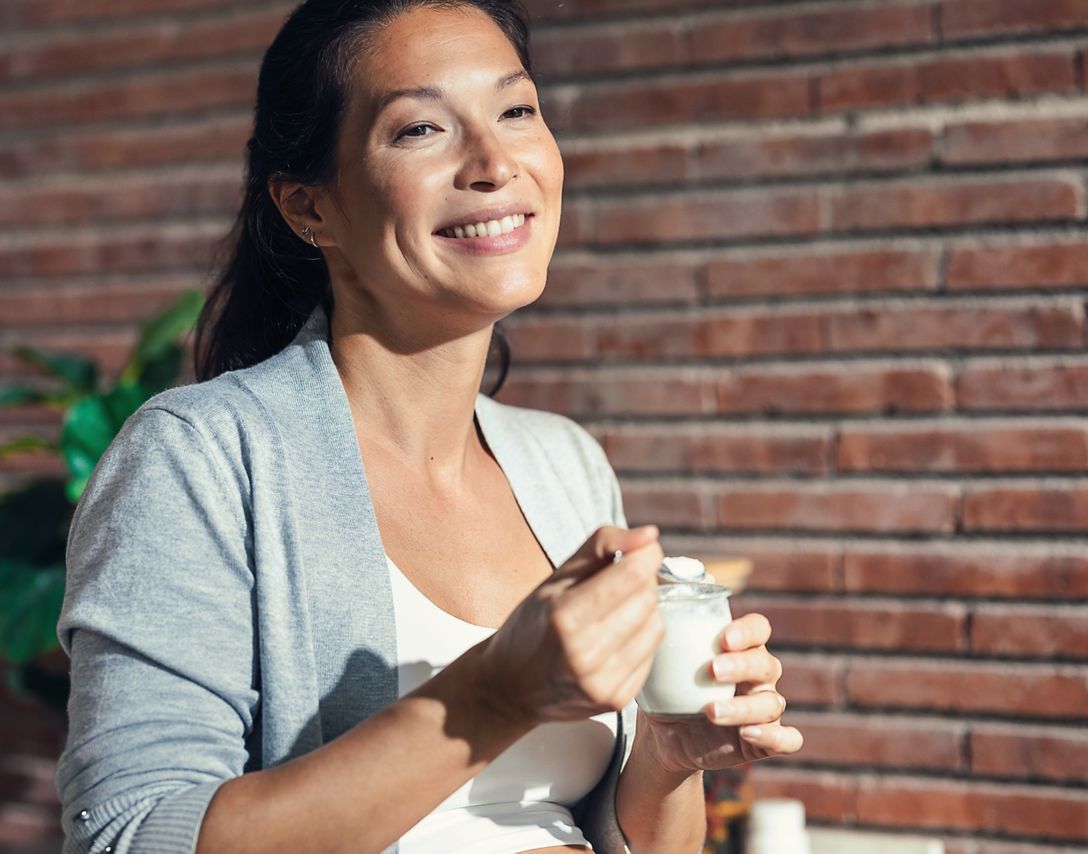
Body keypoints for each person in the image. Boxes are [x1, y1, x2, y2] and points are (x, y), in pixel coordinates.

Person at [54, 0, 803, 852]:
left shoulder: (565, 466)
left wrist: (668, 759)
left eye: (516, 111)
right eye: (420, 130)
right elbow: (130, 836)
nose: (495, 162)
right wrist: (490, 696)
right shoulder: (200, 459)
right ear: (310, 208)